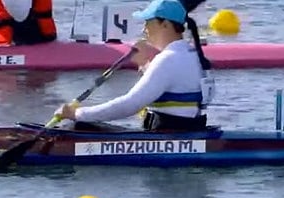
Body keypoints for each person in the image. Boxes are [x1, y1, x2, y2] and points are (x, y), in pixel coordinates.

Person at [55, 0, 215, 131]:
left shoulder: (168, 59)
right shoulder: (194, 55)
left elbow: (129, 105)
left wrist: (77, 114)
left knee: (78, 126)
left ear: (165, 24)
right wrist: (147, 68)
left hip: (166, 136)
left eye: (148, 22)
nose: (144, 29)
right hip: (188, 130)